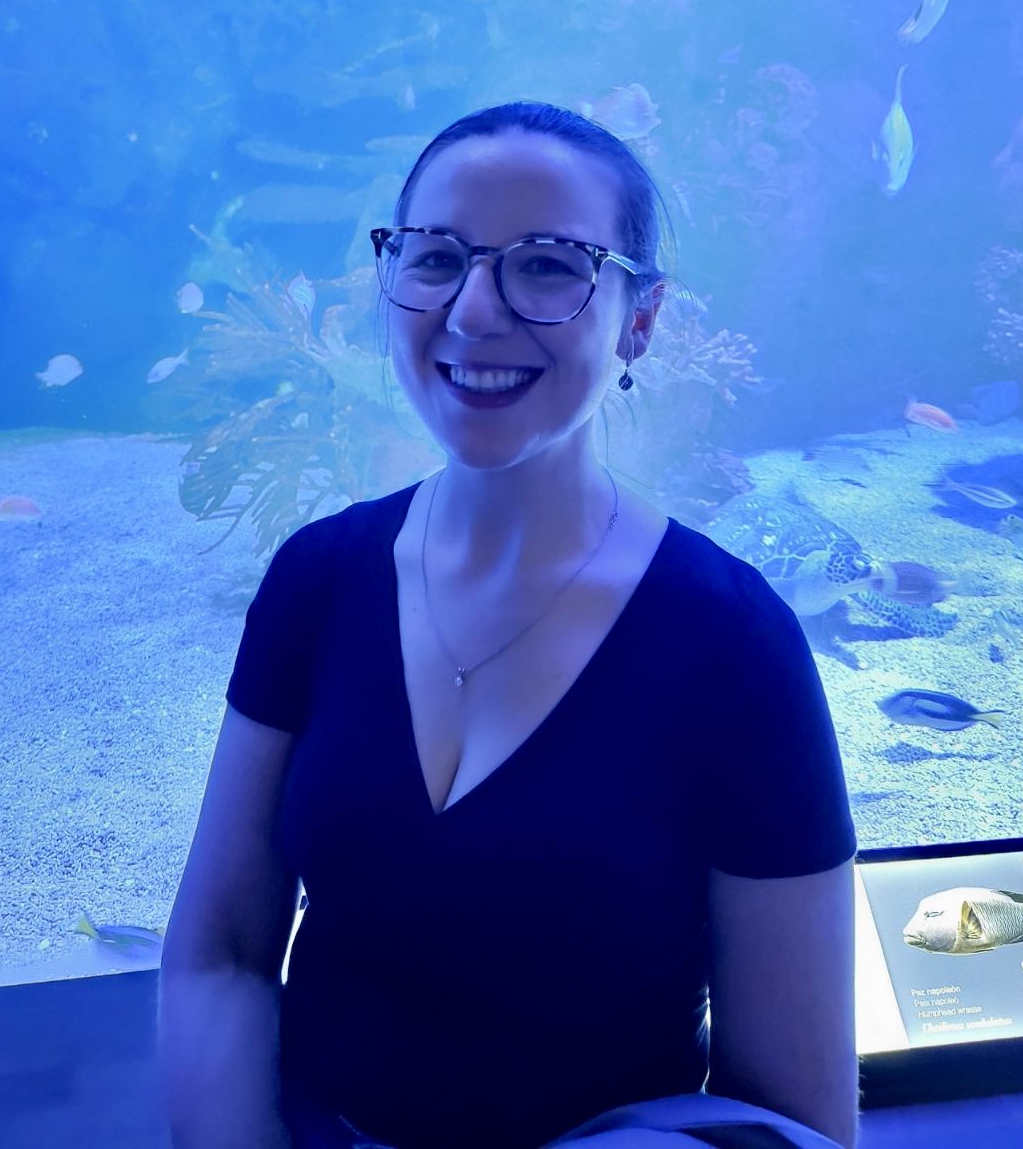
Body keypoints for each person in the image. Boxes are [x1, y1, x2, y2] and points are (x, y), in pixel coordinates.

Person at [158, 101, 860, 1149]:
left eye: (546, 266)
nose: (475, 311)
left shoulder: (733, 646)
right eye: (437, 257)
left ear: (640, 318)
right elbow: (217, 950)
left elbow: (789, 1113)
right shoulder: (319, 579)